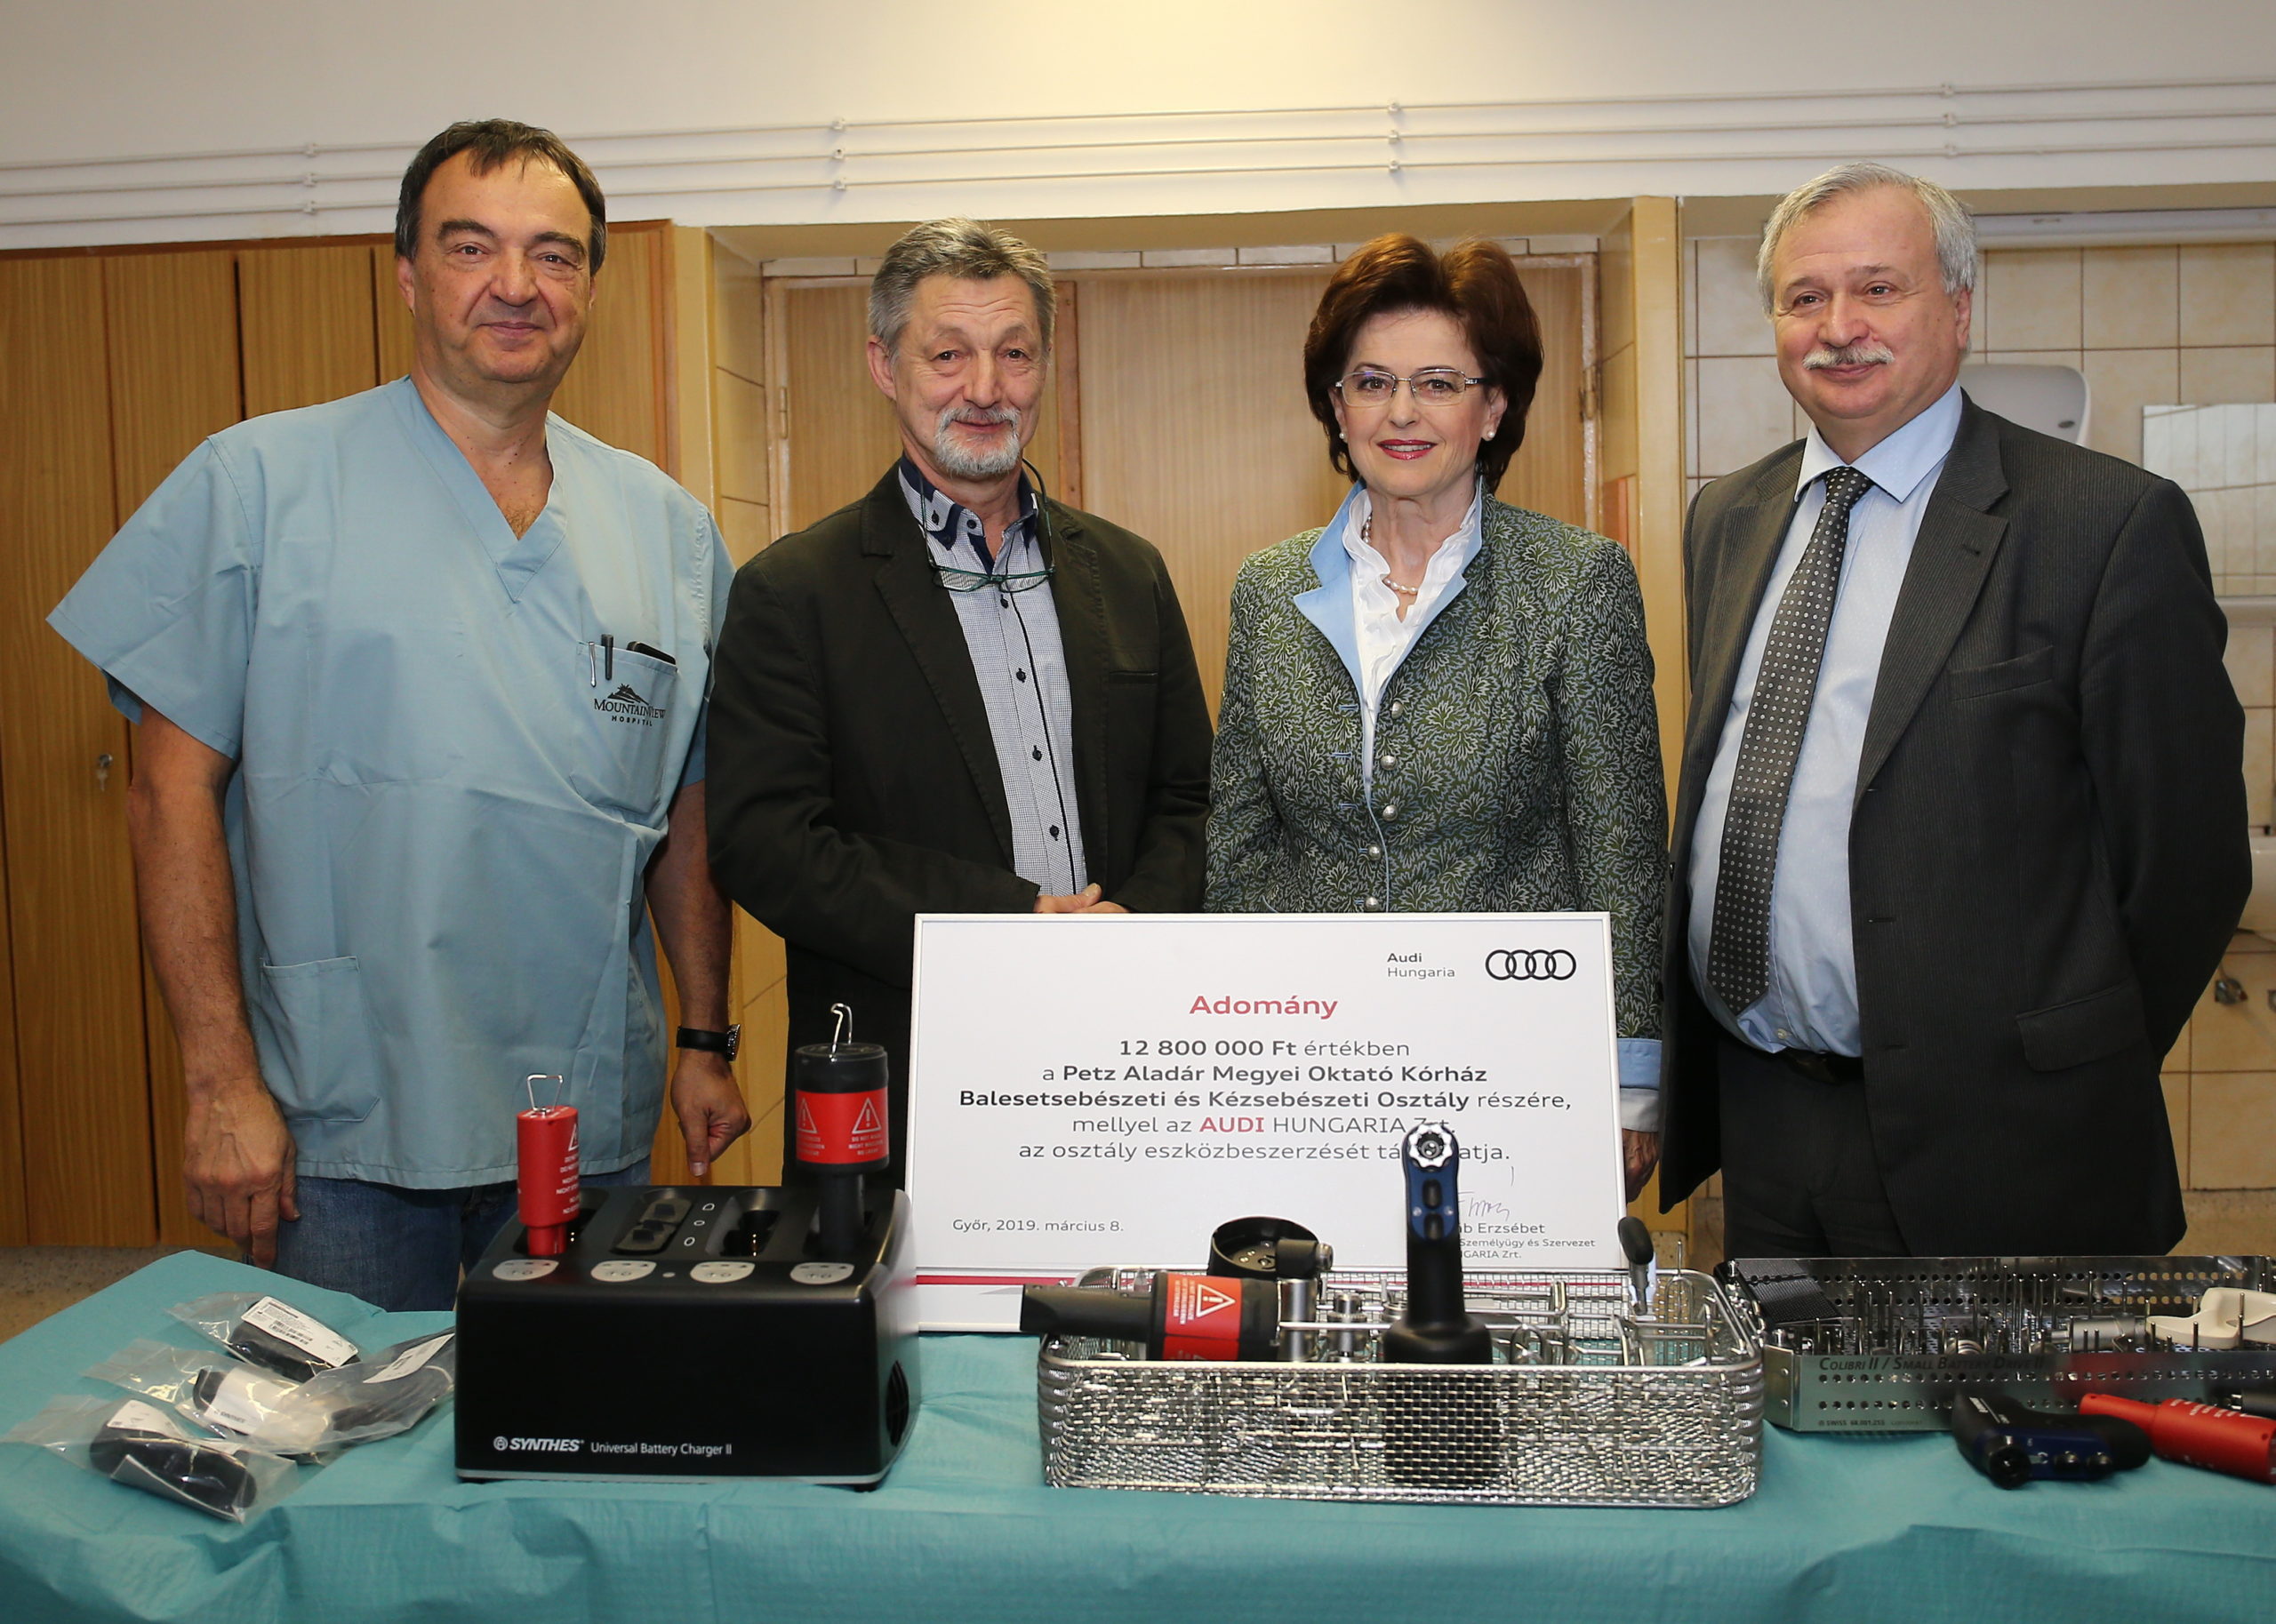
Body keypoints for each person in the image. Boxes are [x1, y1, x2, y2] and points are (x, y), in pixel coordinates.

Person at [48, 119, 750, 1310]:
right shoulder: (259, 486)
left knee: (569, 1407)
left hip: (583, 1105)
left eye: (554, 254)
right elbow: (169, 793)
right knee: (354, 1413)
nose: (515, 285)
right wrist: (218, 1081)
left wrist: (704, 1036)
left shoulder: (667, 531)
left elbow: (688, 806)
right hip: (342, 1113)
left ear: (590, 287)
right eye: (471, 247)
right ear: (410, 274)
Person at [1660, 162, 2248, 1260]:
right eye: (1804, 296)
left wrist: (2063, 1061)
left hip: (2006, 1141)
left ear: (1959, 308)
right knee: (1777, 1380)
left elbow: (2187, 865)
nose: (1839, 327)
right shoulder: (1728, 516)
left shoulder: (2105, 524)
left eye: (1878, 289)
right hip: (1764, 1113)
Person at [705, 219, 1213, 1179]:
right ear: (883, 365)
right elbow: (768, 844)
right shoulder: (793, 593)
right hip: (904, 1074)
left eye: (1013, 353)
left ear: (1044, 366)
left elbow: (1189, 798)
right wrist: (1009, 925)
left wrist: (1128, 927)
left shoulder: (1128, 572)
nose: (984, 388)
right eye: (948, 354)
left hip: (1128, 1060)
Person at [1206, 235, 1668, 1198]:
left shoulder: (1575, 583)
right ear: (1337, 405)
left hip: (1517, 1063)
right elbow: (1240, 849)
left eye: (1439, 383)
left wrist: (1630, 1081)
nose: (1402, 412)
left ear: (1493, 408)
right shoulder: (1268, 589)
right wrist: (1234, 1045)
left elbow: (1620, 854)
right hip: (1315, 1068)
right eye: (1372, 382)